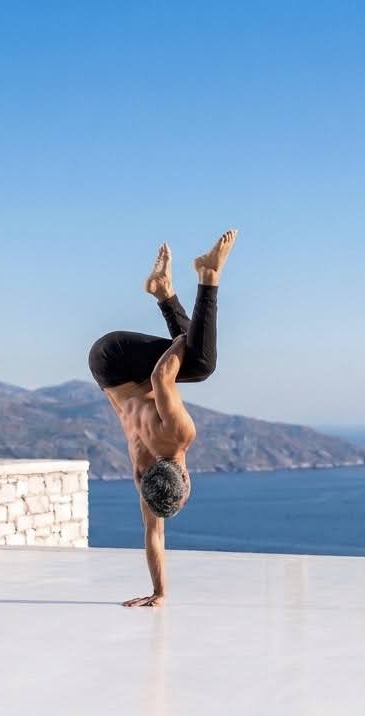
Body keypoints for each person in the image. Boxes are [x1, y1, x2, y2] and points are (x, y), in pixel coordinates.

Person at [87, 229, 237, 607]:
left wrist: (185, 343)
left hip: (115, 356)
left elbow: (160, 376)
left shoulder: (178, 435)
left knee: (202, 364)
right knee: (197, 351)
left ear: (185, 477)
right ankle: (162, 291)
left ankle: (208, 276)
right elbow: (154, 535)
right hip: (107, 372)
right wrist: (160, 592)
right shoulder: (145, 480)